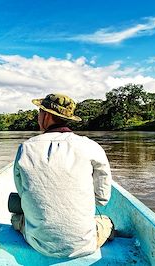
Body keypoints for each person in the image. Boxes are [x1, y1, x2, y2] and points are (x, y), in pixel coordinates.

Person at [9, 93, 114, 258]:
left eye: (40, 112)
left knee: (16, 217)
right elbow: (102, 200)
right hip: (84, 245)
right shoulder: (91, 146)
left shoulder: (26, 148)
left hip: (37, 243)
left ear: (47, 116)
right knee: (107, 222)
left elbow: (24, 195)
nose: (38, 117)